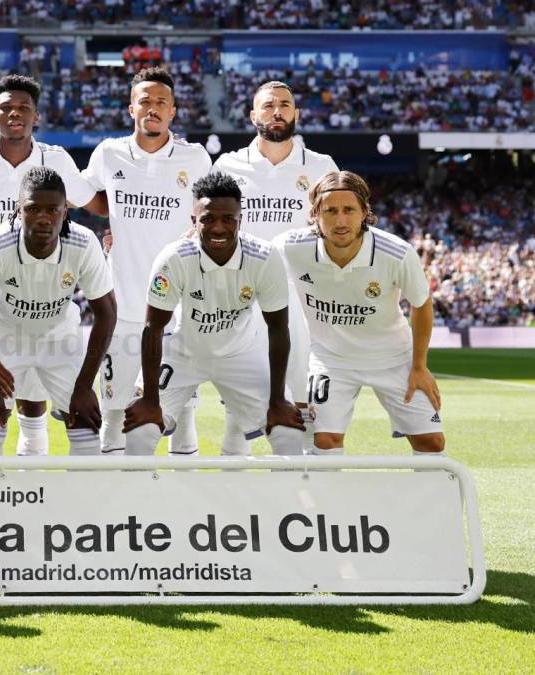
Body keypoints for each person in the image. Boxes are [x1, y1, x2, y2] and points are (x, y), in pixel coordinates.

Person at [0, 74, 102, 458]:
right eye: (7, 107)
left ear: (36, 116)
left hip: (48, 300)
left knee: (34, 409)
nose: (15, 114)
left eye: (23, 108)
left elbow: (89, 201)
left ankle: (35, 503)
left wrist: (118, 233)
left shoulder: (57, 159)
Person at [123, 172, 304, 456]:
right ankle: (147, 498)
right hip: (184, 353)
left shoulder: (265, 257)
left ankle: (280, 500)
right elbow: (153, 329)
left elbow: (279, 329)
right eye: (207, 219)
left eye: (228, 219)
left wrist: (279, 398)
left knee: (289, 435)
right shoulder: (173, 259)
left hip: (242, 354)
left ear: (240, 220)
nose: (218, 228)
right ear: (193, 221)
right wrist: (149, 398)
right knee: (139, 432)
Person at [82, 66, 212, 456]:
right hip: (121, 310)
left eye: (161, 103)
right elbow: (85, 194)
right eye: (145, 102)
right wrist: (113, 217)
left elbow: (208, 216)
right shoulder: (109, 152)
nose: (152, 109)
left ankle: (178, 506)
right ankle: (117, 506)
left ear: (173, 111)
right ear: (131, 109)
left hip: (176, 313)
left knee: (180, 414)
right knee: (114, 414)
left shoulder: (196, 157)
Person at [273, 171, 444, 456]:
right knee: (324, 441)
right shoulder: (290, 247)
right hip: (331, 359)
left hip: (393, 358)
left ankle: (423, 501)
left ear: (365, 212)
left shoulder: (396, 252)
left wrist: (419, 366)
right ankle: (330, 500)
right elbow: (252, 265)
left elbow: (421, 303)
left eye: (349, 210)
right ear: (315, 213)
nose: (340, 221)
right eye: (330, 210)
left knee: (432, 443)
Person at [212, 80, 339, 456]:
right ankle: (231, 505)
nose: (277, 111)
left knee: (302, 405)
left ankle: (301, 497)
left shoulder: (321, 167)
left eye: (285, 104)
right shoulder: (229, 165)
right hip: (242, 298)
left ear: (296, 113)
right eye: (268, 106)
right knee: (239, 410)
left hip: (300, 303)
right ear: (253, 115)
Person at [0, 166, 116, 456]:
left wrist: (84, 386)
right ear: (19, 210)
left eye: (53, 210)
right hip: (5, 335)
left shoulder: (82, 243)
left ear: (65, 211)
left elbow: (107, 313)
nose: (43, 218)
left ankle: (81, 501)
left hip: (59, 339)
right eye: (33, 209)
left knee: (87, 428)